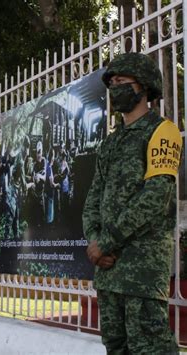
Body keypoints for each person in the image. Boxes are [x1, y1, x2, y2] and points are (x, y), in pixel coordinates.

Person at [82, 52, 182, 354]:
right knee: (116, 346)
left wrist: (107, 242)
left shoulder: (163, 130)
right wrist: (95, 242)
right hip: (109, 271)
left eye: (122, 81)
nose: (115, 88)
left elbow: (155, 196)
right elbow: (93, 198)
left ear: (144, 87)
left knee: (150, 346)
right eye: (111, 83)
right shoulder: (111, 142)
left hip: (142, 267)